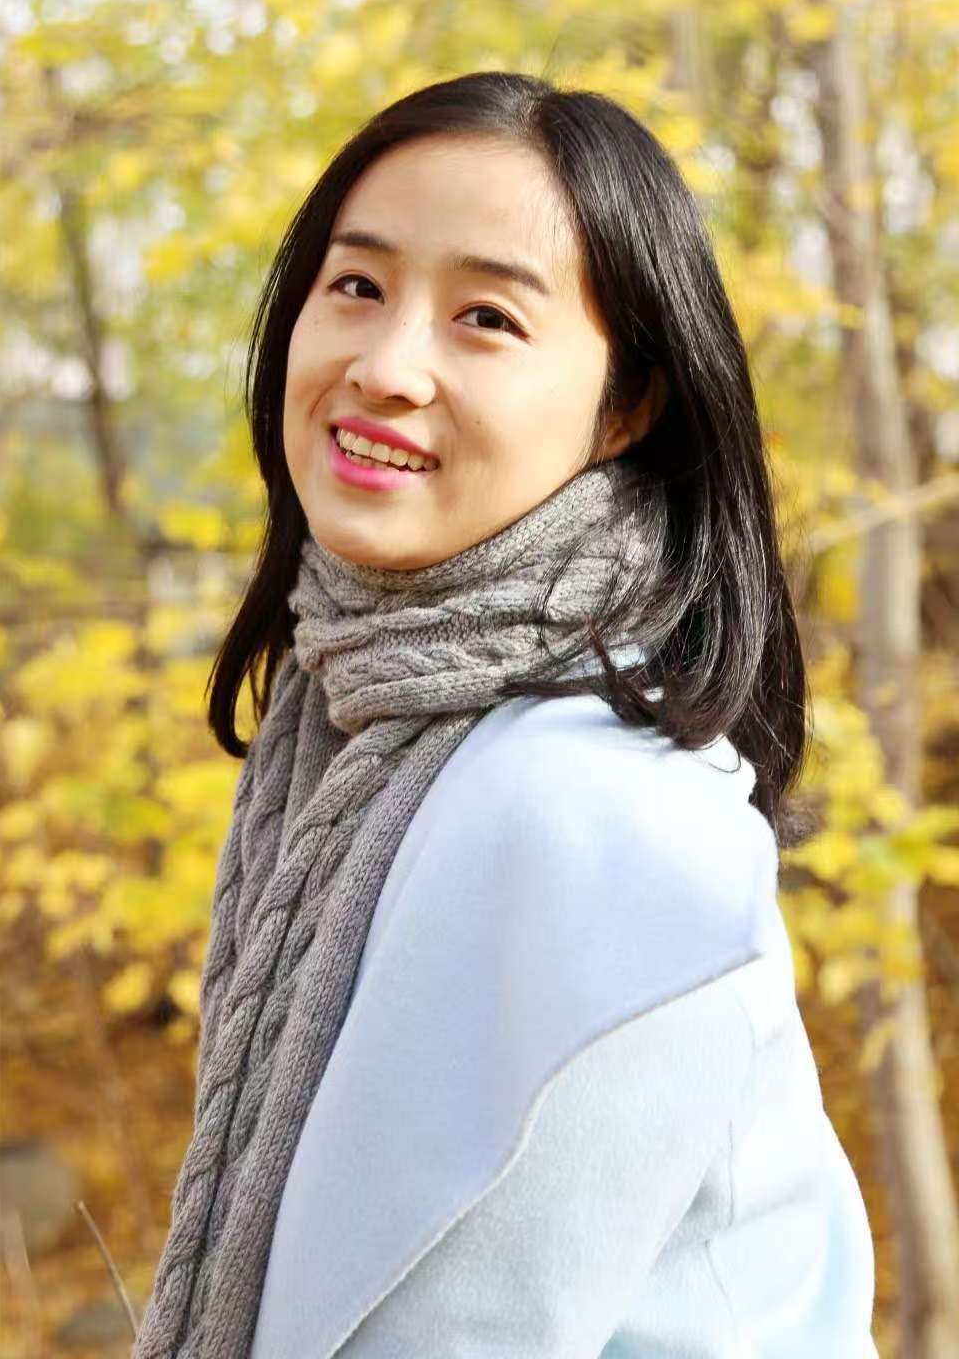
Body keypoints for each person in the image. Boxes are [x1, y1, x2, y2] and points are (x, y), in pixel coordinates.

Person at [131, 71, 879, 1359]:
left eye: (485, 317)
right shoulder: (360, 717)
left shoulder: (598, 813)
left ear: (627, 406)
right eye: (356, 285)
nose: (385, 367)